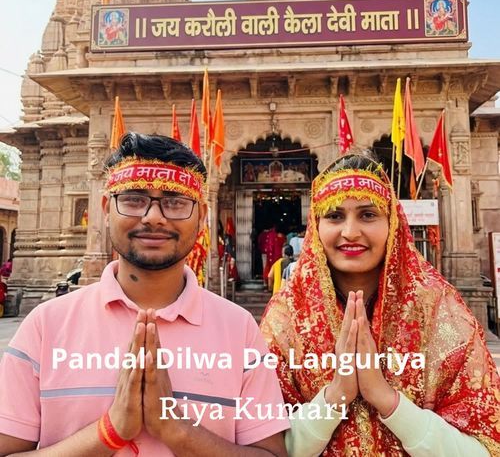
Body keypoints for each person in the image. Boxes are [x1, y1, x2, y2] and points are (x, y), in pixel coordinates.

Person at [0, 133, 289, 456]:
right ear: (106, 208)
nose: (153, 217)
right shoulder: (46, 326)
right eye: (134, 199)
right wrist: (109, 432)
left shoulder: (239, 330)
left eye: (175, 202)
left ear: (202, 216)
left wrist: (176, 430)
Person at [260, 154, 499, 456]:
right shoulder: (287, 318)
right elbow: (264, 447)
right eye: (334, 215)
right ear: (315, 226)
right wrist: (335, 397)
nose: (350, 232)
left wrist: (387, 399)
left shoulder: (438, 311)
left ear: (392, 223)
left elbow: (485, 448)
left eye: (368, 214)